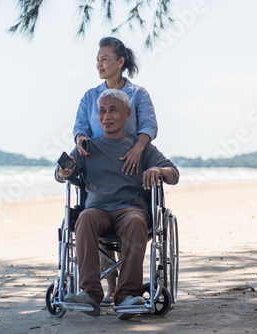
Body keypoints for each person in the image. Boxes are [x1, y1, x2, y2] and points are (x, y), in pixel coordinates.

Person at [56, 89, 179, 319]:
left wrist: (157, 169)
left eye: (113, 110)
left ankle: (126, 296)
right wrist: (64, 171)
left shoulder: (141, 149)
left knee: (135, 221)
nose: (106, 116)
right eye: (102, 111)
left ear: (127, 114)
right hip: (97, 210)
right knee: (84, 218)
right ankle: (90, 294)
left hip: (130, 211)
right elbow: (62, 174)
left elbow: (174, 174)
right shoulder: (87, 147)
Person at [73, 37, 159, 302]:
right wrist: (81, 142)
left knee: (131, 219)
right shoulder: (90, 96)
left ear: (120, 62)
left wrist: (138, 148)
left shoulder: (138, 93)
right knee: (93, 214)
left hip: (131, 161)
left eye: (105, 59)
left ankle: (125, 291)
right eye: (97, 60)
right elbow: (80, 128)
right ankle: (108, 289)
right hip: (99, 162)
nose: (99, 64)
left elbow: (149, 125)